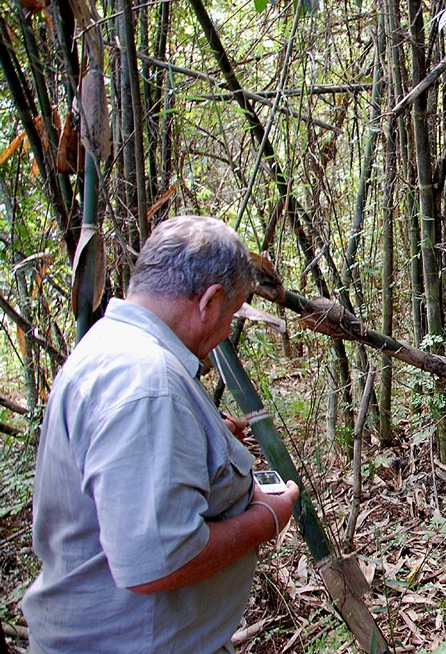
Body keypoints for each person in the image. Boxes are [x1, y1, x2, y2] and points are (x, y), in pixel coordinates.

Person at [22, 216, 300, 653]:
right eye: (232, 312)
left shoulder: (109, 348)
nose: (228, 330)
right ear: (209, 302)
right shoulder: (146, 383)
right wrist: (267, 519)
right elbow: (159, 561)